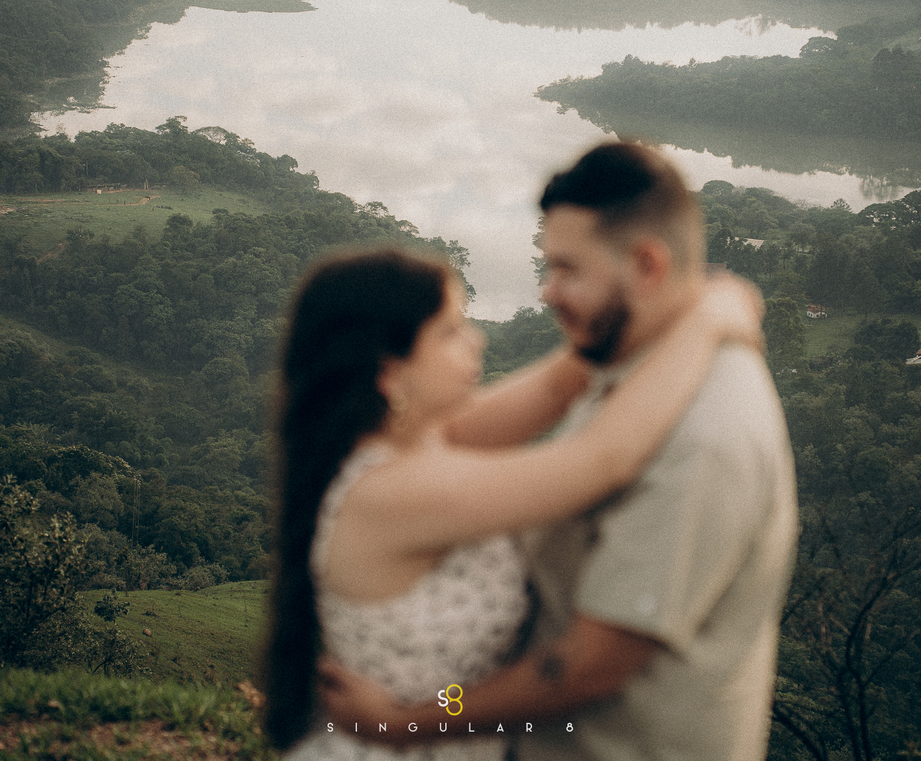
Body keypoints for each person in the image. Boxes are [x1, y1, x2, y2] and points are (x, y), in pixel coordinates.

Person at [320, 143, 799, 761]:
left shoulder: (707, 435)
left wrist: (409, 720)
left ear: (648, 266)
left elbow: (588, 668)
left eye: (568, 269)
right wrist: (702, 311)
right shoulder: (626, 363)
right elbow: (563, 408)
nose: (547, 293)